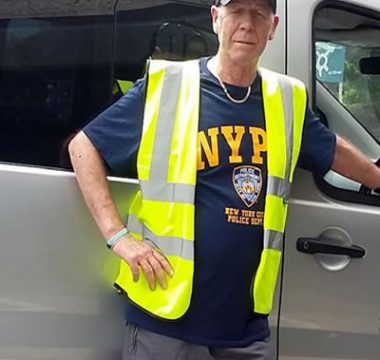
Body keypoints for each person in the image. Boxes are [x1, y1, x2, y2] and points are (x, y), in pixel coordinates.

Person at [68, 0, 380, 359]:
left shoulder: (286, 101)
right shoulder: (168, 87)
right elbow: (84, 147)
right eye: (237, 12)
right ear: (217, 19)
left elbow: (332, 150)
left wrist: (376, 176)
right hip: (166, 319)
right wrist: (117, 236)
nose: (247, 24)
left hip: (244, 326)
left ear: (273, 26)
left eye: (258, 15)